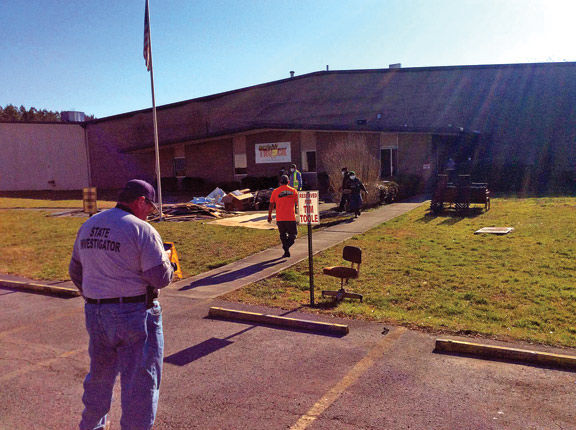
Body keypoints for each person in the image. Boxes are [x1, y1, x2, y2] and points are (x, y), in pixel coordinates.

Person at [69, 179, 175, 430]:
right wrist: (169, 263)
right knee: (140, 384)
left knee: (100, 378)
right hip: (135, 313)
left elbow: (75, 270)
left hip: (96, 312)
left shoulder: (89, 224)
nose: (150, 212)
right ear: (140, 201)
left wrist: (97, 296)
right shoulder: (141, 230)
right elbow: (159, 277)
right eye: (149, 206)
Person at [267, 175, 298, 258]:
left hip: (280, 218)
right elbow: (298, 203)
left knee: (283, 235)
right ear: (288, 182)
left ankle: (286, 250)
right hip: (291, 217)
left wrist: (269, 215)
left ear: (280, 182)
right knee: (293, 235)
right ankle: (286, 247)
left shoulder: (275, 191)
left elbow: (271, 205)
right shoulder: (294, 191)